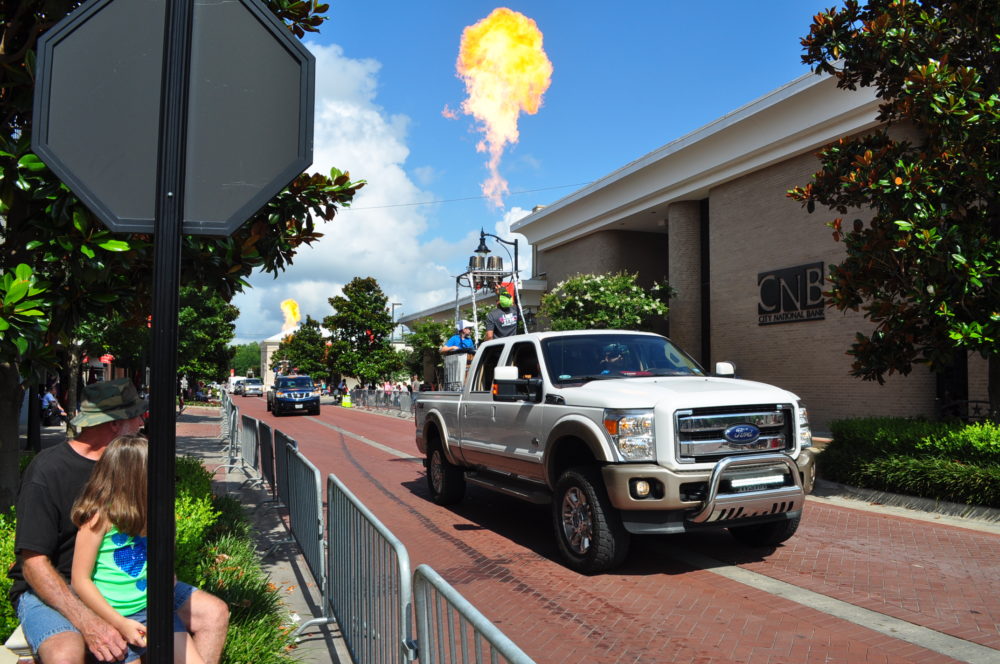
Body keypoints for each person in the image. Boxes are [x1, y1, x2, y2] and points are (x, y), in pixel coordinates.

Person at [8, 378, 229, 664]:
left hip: (128, 587)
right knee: (65, 653)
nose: (141, 421)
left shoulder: (133, 464)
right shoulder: (48, 471)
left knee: (214, 612)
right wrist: (89, 621)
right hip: (60, 588)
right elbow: (33, 562)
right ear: (114, 423)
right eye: (136, 414)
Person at [70, 435, 204, 664]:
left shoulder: (156, 513)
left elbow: (161, 560)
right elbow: (80, 580)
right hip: (114, 617)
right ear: (136, 478)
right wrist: (119, 623)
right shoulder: (97, 519)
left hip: (155, 610)